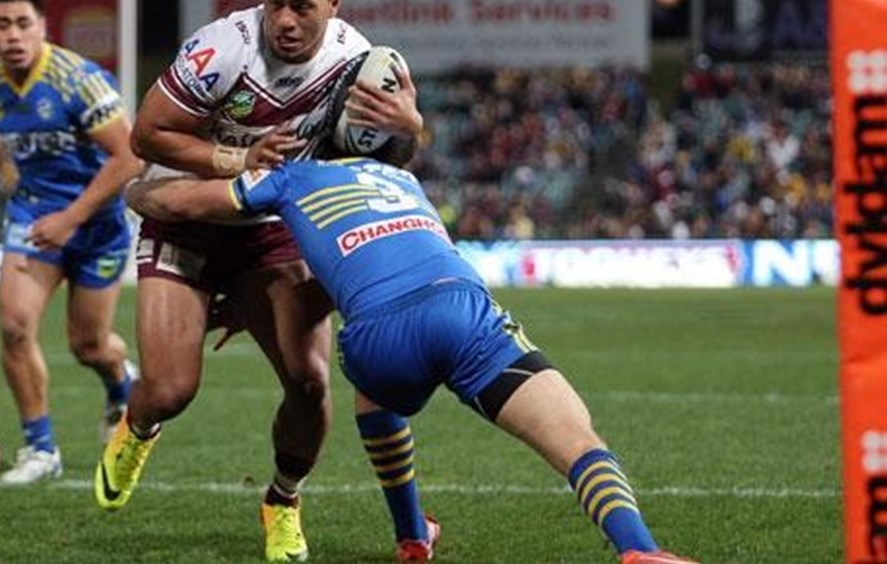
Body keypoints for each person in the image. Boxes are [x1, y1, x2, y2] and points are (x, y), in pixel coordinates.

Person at [125, 156, 695, 564]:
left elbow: (178, 201)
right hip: (461, 308)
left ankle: (412, 535)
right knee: (577, 440)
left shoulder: (291, 175)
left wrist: (135, 191)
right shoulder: (405, 179)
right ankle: (639, 549)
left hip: (378, 335)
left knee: (376, 392)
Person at [94, 0, 423, 562]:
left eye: (303, 7)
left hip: (269, 227)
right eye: (275, 3)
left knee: (310, 381)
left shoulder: (357, 63)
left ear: (334, 6)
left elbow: (389, 156)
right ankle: (137, 426)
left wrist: (411, 127)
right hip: (186, 214)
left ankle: (283, 500)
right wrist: (238, 158)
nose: (285, 20)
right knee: (170, 389)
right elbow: (147, 136)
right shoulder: (222, 48)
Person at [0, 0, 144, 484]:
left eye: (23, 24)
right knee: (14, 327)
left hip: (96, 223)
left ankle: (121, 383)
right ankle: (40, 448)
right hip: (33, 217)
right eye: (3, 25)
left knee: (89, 345)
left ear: (42, 27)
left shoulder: (79, 81)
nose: (13, 35)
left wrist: (71, 219)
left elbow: (129, 158)